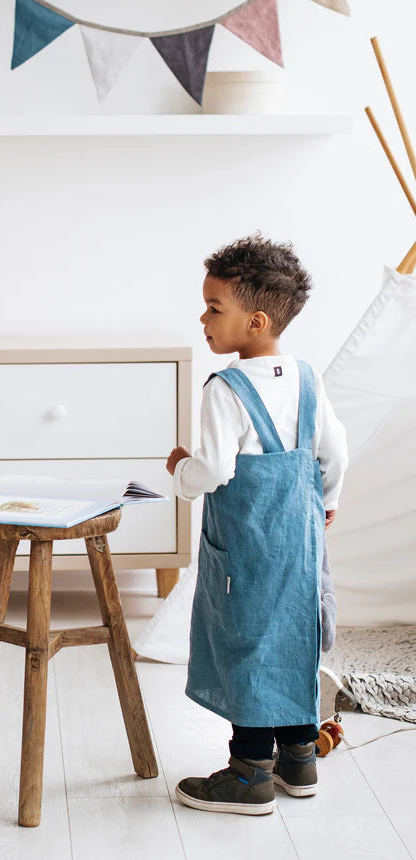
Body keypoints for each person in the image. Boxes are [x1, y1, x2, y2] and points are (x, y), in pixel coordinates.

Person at [166, 234, 348, 815]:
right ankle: (299, 757)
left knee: (247, 645)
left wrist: (181, 470)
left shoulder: (226, 389)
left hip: (245, 550)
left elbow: (215, 470)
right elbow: (334, 452)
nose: (203, 319)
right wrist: (327, 501)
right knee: (294, 636)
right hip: (300, 541)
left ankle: (249, 774)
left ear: (256, 321)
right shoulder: (307, 378)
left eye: (213, 308)